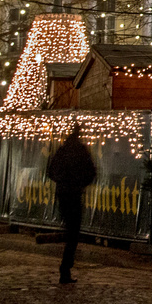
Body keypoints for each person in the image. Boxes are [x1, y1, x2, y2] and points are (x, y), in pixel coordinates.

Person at [45, 122, 98, 285]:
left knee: (70, 230)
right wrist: (79, 183)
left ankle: (66, 268)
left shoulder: (62, 150)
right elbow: (92, 172)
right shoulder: (81, 151)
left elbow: (50, 171)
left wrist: (62, 181)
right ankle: (66, 267)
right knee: (73, 232)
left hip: (63, 194)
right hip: (74, 194)